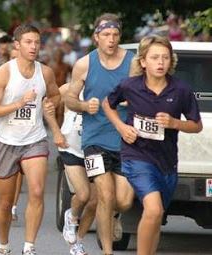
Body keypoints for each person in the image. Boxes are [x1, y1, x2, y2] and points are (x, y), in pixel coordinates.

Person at [102, 35, 202, 255]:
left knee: (155, 216)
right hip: (136, 156)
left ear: (171, 61)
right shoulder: (129, 86)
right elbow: (107, 104)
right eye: (155, 57)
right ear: (143, 62)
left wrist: (175, 123)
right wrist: (121, 127)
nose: (160, 62)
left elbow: (196, 125)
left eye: (165, 58)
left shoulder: (181, 90)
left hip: (166, 163)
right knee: (154, 209)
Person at [0, 24, 60, 255]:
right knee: (6, 203)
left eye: (37, 42)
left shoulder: (45, 72)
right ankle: (4, 245)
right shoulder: (5, 72)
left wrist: (51, 103)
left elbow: (56, 94)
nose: (34, 46)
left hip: (34, 139)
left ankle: (29, 247)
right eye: (28, 42)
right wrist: (18, 103)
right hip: (5, 141)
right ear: (17, 45)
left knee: (36, 191)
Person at [65, 13, 135, 255]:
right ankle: (107, 252)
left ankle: (111, 216)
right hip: (94, 140)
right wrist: (85, 106)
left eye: (115, 35)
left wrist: (132, 100)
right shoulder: (84, 64)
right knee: (104, 195)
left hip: (126, 140)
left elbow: (146, 93)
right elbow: (69, 99)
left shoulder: (133, 62)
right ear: (96, 37)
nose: (111, 39)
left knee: (123, 200)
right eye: (106, 35)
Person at [45, 83, 97, 255]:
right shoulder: (69, 88)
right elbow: (47, 104)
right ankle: (72, 216)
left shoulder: (105, 87)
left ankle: (78, 243)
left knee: (94, 202)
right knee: (83, 194)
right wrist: (56, 131)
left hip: (95, 150)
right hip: (71, 148)